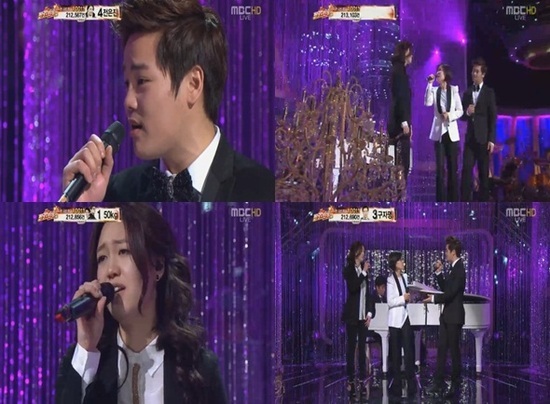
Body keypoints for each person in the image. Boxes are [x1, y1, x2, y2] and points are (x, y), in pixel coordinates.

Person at [61, 0, 274, 202]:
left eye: (141, 81)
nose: (128, 102)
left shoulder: (264, 190)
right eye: (127, 83)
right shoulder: (116, 192)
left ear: (193, 84)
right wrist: (82, 206)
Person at [55, 203, 227, 403]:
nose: (110, 270)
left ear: (158, 266)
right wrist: (87, 347)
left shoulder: (199, 369)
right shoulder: (82, 361)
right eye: (102, 258)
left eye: (123, 251)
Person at [423, 236, 466, 399]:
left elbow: (450, 294)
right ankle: (438, 382)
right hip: (447, 317)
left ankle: (455, 385)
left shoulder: (459, 269)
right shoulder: (453, 268)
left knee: (454, 352)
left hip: (454, 317)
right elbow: (446, 288)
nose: (445, 253)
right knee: (441, 350)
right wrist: (439, 273)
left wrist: (433, 299)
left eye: (447, 250)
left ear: (453, 252)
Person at [460, 58, 497, 202]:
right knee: (466, 170)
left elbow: (492, 117)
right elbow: (462, 116)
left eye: (476, 71)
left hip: (483, 139)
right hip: (470, 139)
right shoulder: (467, 92)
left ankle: (484, 205)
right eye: (472, 71)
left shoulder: (489, 92)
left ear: (483, 74)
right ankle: (463, 204)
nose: (473, 74)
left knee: (483, 173)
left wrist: (491, 139)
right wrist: (467, 112)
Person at [425, 64, 463, 201]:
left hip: (451, 133)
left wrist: (450, 115)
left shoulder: (454, 90)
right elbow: (427, 103)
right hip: (439, 133)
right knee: (440, 169)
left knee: (452, 168)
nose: (437, 72)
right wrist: (429, 84)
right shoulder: (434, 90)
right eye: (437, 70)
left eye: (440, 70)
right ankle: (440, 200)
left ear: (446, 74)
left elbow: (460, 110)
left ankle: (453, 200)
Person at [342, 241, 375, 399]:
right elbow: (353, 287)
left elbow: (367, 294)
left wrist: (369, 313)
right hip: (352, 316)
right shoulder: (348, 270)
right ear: (356, 253)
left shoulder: (364, 272)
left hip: (363, 316)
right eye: (362, 252)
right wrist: (363, 272)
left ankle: (362, 377)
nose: (364, 254)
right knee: (351, 347)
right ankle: (350, 377)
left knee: (362, 347)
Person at [386, 252, 417, 399]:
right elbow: (390, 301)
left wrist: (409, 298)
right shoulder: (390, 280)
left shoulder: (405, 277)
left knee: (409, 350)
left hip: (404, 317)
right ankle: (397, 384)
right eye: (400, 260)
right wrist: (403, 298)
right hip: (394, 321)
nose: (403, 262)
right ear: (395, 263)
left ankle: (411, 382)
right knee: (396, 353)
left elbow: (406, 296)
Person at [388, 40, 413, 183]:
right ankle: (399, 192)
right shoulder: (399, 72)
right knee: (402, 164)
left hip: (400, 122)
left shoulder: (398, 70)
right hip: (399, 124)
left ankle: (399, 190)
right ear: (406, 53)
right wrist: (404, 122)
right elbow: (400, 97)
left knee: (401, 164)